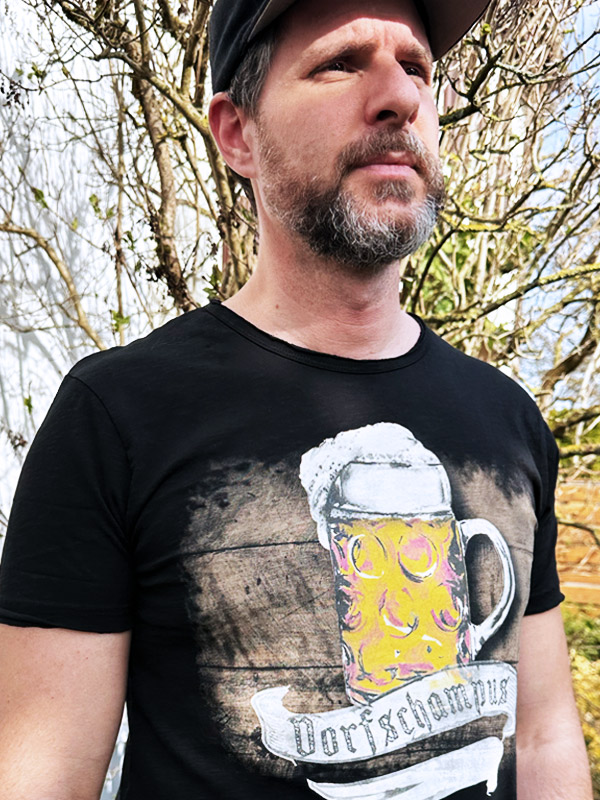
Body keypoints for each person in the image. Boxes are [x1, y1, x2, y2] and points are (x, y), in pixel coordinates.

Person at [0, 0, 593, 798]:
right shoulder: (115, 415)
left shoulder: (508, 420)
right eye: (340, 63)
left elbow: (546, 736)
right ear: (237, 133)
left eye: (416, 67)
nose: (399, 96)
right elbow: (40, 775)